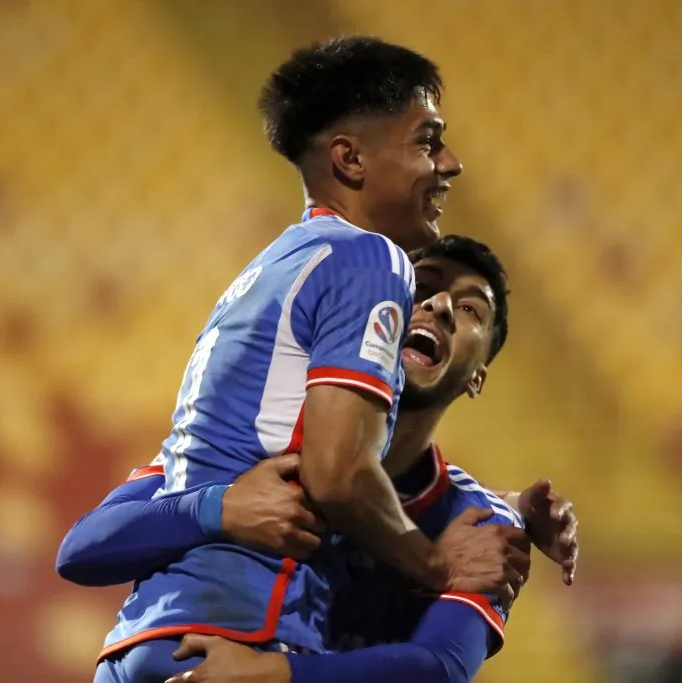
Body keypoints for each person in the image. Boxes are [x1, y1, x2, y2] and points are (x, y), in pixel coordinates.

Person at [80, 37, 529, 682]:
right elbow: (341, 475)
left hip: (142, 644)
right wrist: (436, 565)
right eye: (427, 141)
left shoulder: (273, 268)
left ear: (481, 369)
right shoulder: (372, 258)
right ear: (349, 158)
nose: (451, 164)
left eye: (470, 310)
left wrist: (213, 508)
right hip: (238, 637)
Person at [58, 236, 580, 683]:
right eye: (422, 286)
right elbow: (81, 550)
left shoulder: (479, 526)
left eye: (470, 310)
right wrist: (220, 508)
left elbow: (440, 666)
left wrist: (273, 674)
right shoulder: (261, 437)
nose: (440, 304)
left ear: (477, 377)